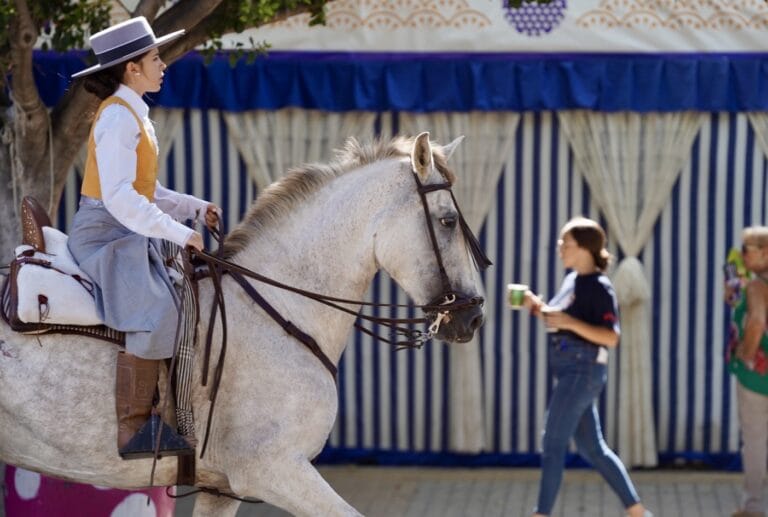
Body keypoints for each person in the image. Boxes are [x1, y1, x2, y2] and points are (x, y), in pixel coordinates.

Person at [68, 17, 219, 459]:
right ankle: (133, 428)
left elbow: (146, 192)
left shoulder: (133, 112)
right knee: (157, 310)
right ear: (132, 68)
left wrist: (194, 208)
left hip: (124, 228)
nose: (163, 65)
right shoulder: (118, 117)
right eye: (155, 58)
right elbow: (118, 198)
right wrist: (179, 232)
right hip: (104, 234)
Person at [518, 216, 650, 517]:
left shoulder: (599, 287)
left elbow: (611, 338)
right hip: (572, 372)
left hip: (583, 372)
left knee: (553, 443)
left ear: (585, 248)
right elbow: (560, 320)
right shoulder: (572, 280)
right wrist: (536, 306)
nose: (560, 248)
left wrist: (569, 322)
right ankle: (638, 512)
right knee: (594, 449)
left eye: (565, 243)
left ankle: (541, 514)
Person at [725, 227, 768, 517]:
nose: (741, 255)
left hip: (757, 377)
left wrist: (745, 353)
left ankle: (753, 506)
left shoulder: (756, 286)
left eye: (747, 249)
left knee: (754, 441)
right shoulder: (750, 284)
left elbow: (756, 322)